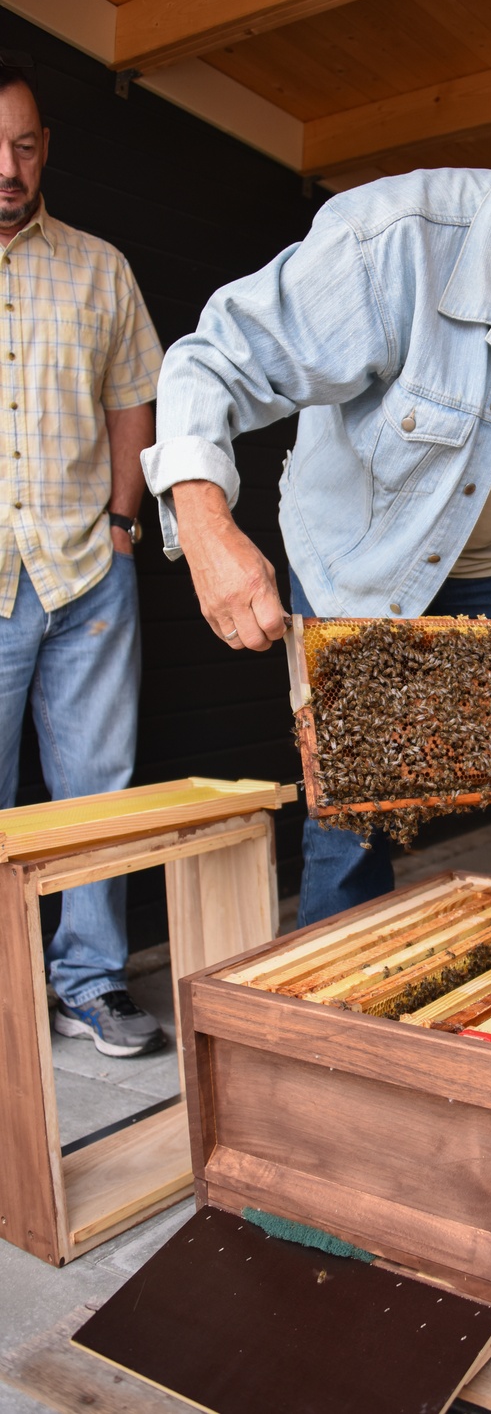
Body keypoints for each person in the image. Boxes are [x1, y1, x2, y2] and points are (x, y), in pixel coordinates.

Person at [145, 76, 491, 924]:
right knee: (354, 817)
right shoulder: (389, 242)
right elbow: (212, 361)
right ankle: (340, 1044)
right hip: (362, 560)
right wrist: (204, 524)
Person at [0, 54, 165, 1055]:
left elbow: (133, 397)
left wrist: (120, 520)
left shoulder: (100, 267)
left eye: (23, 145)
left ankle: (90, 983)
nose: (7, 166)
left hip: (85, 571)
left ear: (46, 148)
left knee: (97, 789)